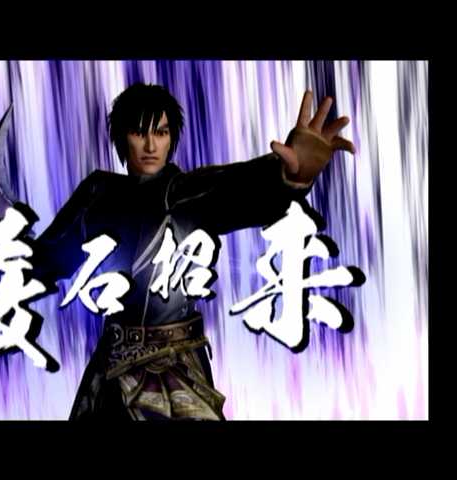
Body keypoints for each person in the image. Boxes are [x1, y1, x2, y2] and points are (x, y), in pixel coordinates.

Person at [32, 83, 355, 420]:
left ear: (171, 138)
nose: (150, 145)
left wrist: (285, 175)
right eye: (139, 132)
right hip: (113, 367)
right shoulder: (98, 194)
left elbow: (229, 185)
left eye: (161, 132)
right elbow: (48, 260)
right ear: (122, 137)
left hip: (173, 368)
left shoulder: (183, 193)